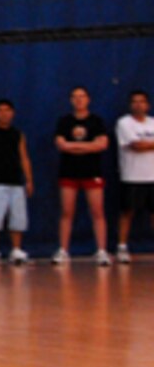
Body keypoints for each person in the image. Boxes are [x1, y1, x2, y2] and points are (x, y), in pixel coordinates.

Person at [53, 86, 111, 265]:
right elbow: (61, 144)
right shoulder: (64, 122)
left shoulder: (96, 122)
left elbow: (102, 144)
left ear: (88, 99)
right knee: (67, 211)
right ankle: (63, 250)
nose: (79, 100)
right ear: (71, 100)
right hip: (69, 172)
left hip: (92, 172)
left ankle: (101, 251)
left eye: (82, 96)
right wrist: (88, 146)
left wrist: (75, 147)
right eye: (75, 97)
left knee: (97, 211)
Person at [0, 98, 33, 266]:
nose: (4, 114)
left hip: (16, 181)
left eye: (7, 110)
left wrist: (29, 180)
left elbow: (24, 158)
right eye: (0, 110)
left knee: (18, 218)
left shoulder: (18, 134)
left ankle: (16, 249)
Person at [117, 90, 154, 264]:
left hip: (152, 177)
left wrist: (147, 145)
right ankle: (122, 247)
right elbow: (136, 145)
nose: (139, 104)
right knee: (127, 212)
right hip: (132, 176)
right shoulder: (124, 123)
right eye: (135, 101)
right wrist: (146, 145)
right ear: (130, 105)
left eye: (142, 101)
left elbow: (143, 145)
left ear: (148, 105)